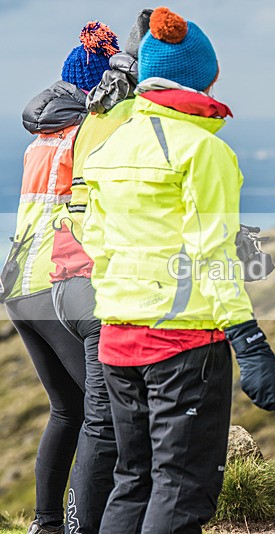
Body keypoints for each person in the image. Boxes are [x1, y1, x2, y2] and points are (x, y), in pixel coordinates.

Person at [80, 7, 275, 532]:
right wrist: (249, 341)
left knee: (134, 478)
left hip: (116, 339)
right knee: (181, 486)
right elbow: (213, 252)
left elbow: (95, 244)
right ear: (204, 76)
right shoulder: (204, 150)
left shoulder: (109, 148)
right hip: (184, 345)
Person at [0, 21, 118, 534]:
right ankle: (80, 525)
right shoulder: (90, 137)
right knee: (101, 415)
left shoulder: (39, 141)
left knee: (65, 410)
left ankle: (45, 523)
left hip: (17, 285)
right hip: (59, 285)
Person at [49, 10, 151, 534]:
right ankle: (83, 526)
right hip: (98, 284)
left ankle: (74, 521)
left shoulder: (77, 126)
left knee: (91, 415)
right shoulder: (126, 119)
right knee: (106, 421)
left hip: (63, 283)